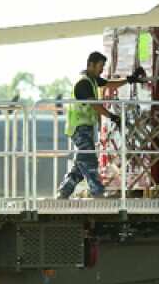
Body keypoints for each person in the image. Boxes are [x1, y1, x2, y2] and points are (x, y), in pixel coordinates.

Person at [57, 53, 142, 200]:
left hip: (85, 127)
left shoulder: (93, 80)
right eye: (100, 67)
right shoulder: (83, 83)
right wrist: (112, 116)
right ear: (90, 64)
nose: (102, 70)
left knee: (81, 164)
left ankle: (64, 192)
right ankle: (98, 192)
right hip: (79, 127)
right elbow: (95, 106)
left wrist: (129, 79)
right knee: (89, 159)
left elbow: (109, 83)